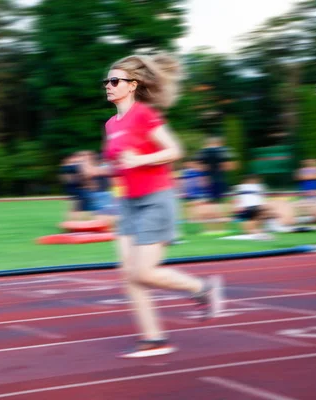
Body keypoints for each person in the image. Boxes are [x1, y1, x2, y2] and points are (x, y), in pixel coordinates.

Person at [102, 53, 223, 359]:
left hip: (156, 198)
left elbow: (175, 150)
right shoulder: (110, 123)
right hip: (127, 203)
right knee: (129, 274)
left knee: (144, 271)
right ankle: (153, 339)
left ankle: (202, 289)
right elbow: (120, 163)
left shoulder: (143, 114)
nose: (108, 85)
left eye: (115, 81)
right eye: (107, 81)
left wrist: (139, 159)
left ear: (132, 86)